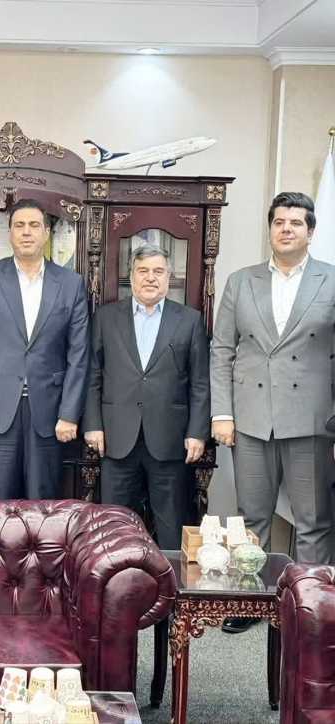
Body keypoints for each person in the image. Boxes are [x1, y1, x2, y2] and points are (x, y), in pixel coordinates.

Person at [211, 192, 335, 631]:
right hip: (251, 419)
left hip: (312, 420)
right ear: (270, 229)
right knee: (251, 518)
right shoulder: (241, 281)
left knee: (313, 521)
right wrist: (222, 413)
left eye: (296, 223)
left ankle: (311, 606)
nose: (286, 229)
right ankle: (250, 602)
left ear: (310, 232)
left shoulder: (330, 280)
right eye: (279, 222)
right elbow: (222, 349)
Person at [0, 198, 90, 499]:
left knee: (42, 507)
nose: (26, 232)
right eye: (19, 225)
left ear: (46, 233)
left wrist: (70, 413)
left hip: (50, 413)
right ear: (10, 233)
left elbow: (79, 353)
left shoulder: (70, 283)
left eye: (34, 225)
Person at [83, 244, 210, 549]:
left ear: (169, 277)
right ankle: (116, 578)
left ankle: (170, 580)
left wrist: (197, 432)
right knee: (114, 527)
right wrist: (93, 424)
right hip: (116, 438)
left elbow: (200, 383)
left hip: (169, 440)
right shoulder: (106, 317)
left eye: (158, 271)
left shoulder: (189, 320)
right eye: (143, 271)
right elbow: (92, 375)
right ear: (131, 276)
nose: (150, 278)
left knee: (171, 527)